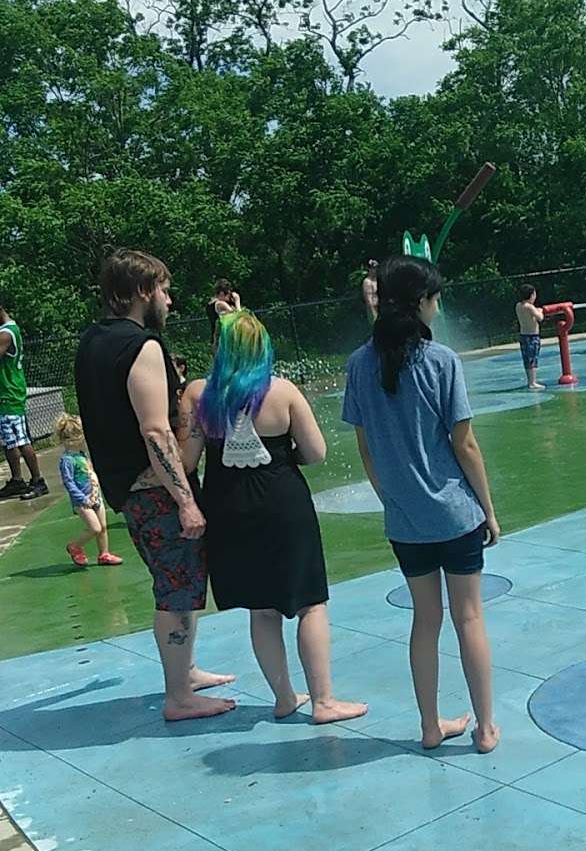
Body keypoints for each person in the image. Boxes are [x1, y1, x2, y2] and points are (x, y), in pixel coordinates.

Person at [342, 256, 501, 755]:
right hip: (455, 513)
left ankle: (430, 726)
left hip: (405, 520)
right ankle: (484, 728)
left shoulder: (358, 363)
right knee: (469, 617)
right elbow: (465, 444)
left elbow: (366, 448)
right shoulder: (441, 361)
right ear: (420, 304)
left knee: (424, 620)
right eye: (435, 298)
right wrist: (489, 511)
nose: (438, 306)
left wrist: (391, 497)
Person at [179, 310, 367, 724]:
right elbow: (317, 453)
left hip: (228, 508)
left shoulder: (199, 395)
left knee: (260, 609)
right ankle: (324, 701)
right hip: (283, 503)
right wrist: (284, 456)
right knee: (310, 605)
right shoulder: (283, 392)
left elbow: (187, 460)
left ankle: (283, 697)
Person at [75, 247, 235, 721]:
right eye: (164, 289)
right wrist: (185, 499)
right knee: (176, 587)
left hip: (129, 487)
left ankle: (185, 673)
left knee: (177, 585)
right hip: (155, 489)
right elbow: (155, 431)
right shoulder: (142, 347)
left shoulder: (91, 342)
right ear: (143, 291)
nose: (169, 299)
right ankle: (178, 697)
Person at [55, 413, 123, 568]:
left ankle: (104, 554)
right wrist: (83, 498)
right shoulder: (67, 460)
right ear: (71, 440)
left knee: (103, 527)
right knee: (95, 528)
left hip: (95, 496)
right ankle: (75, 546)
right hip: (82, 501)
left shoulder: (81, 455)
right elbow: (69, 483)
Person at [0, 301, 48, 500]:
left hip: (9, 393)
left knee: (20, 440)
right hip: (5, 393)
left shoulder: (6, 333)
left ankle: (38, 480)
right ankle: (17, 480)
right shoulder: (7, 329)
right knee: (9, 441)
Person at [515, 286, 545, 390]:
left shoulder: (519, 306)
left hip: (523, 336)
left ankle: (530, 381)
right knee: (533, 359)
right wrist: (540, 311)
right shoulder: (530, 307)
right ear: (531, 295)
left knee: (527, 359)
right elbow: (540, 318)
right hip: (532, 337)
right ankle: (533, 382)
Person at [361, 261, 379, 326]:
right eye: (373, 268)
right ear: (369, 269)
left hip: (380, 308)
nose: (375, 270)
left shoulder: (377, 280)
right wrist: (373, 314)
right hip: (373, 309)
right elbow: (369, 300)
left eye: (376, 268)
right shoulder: (367, 282)